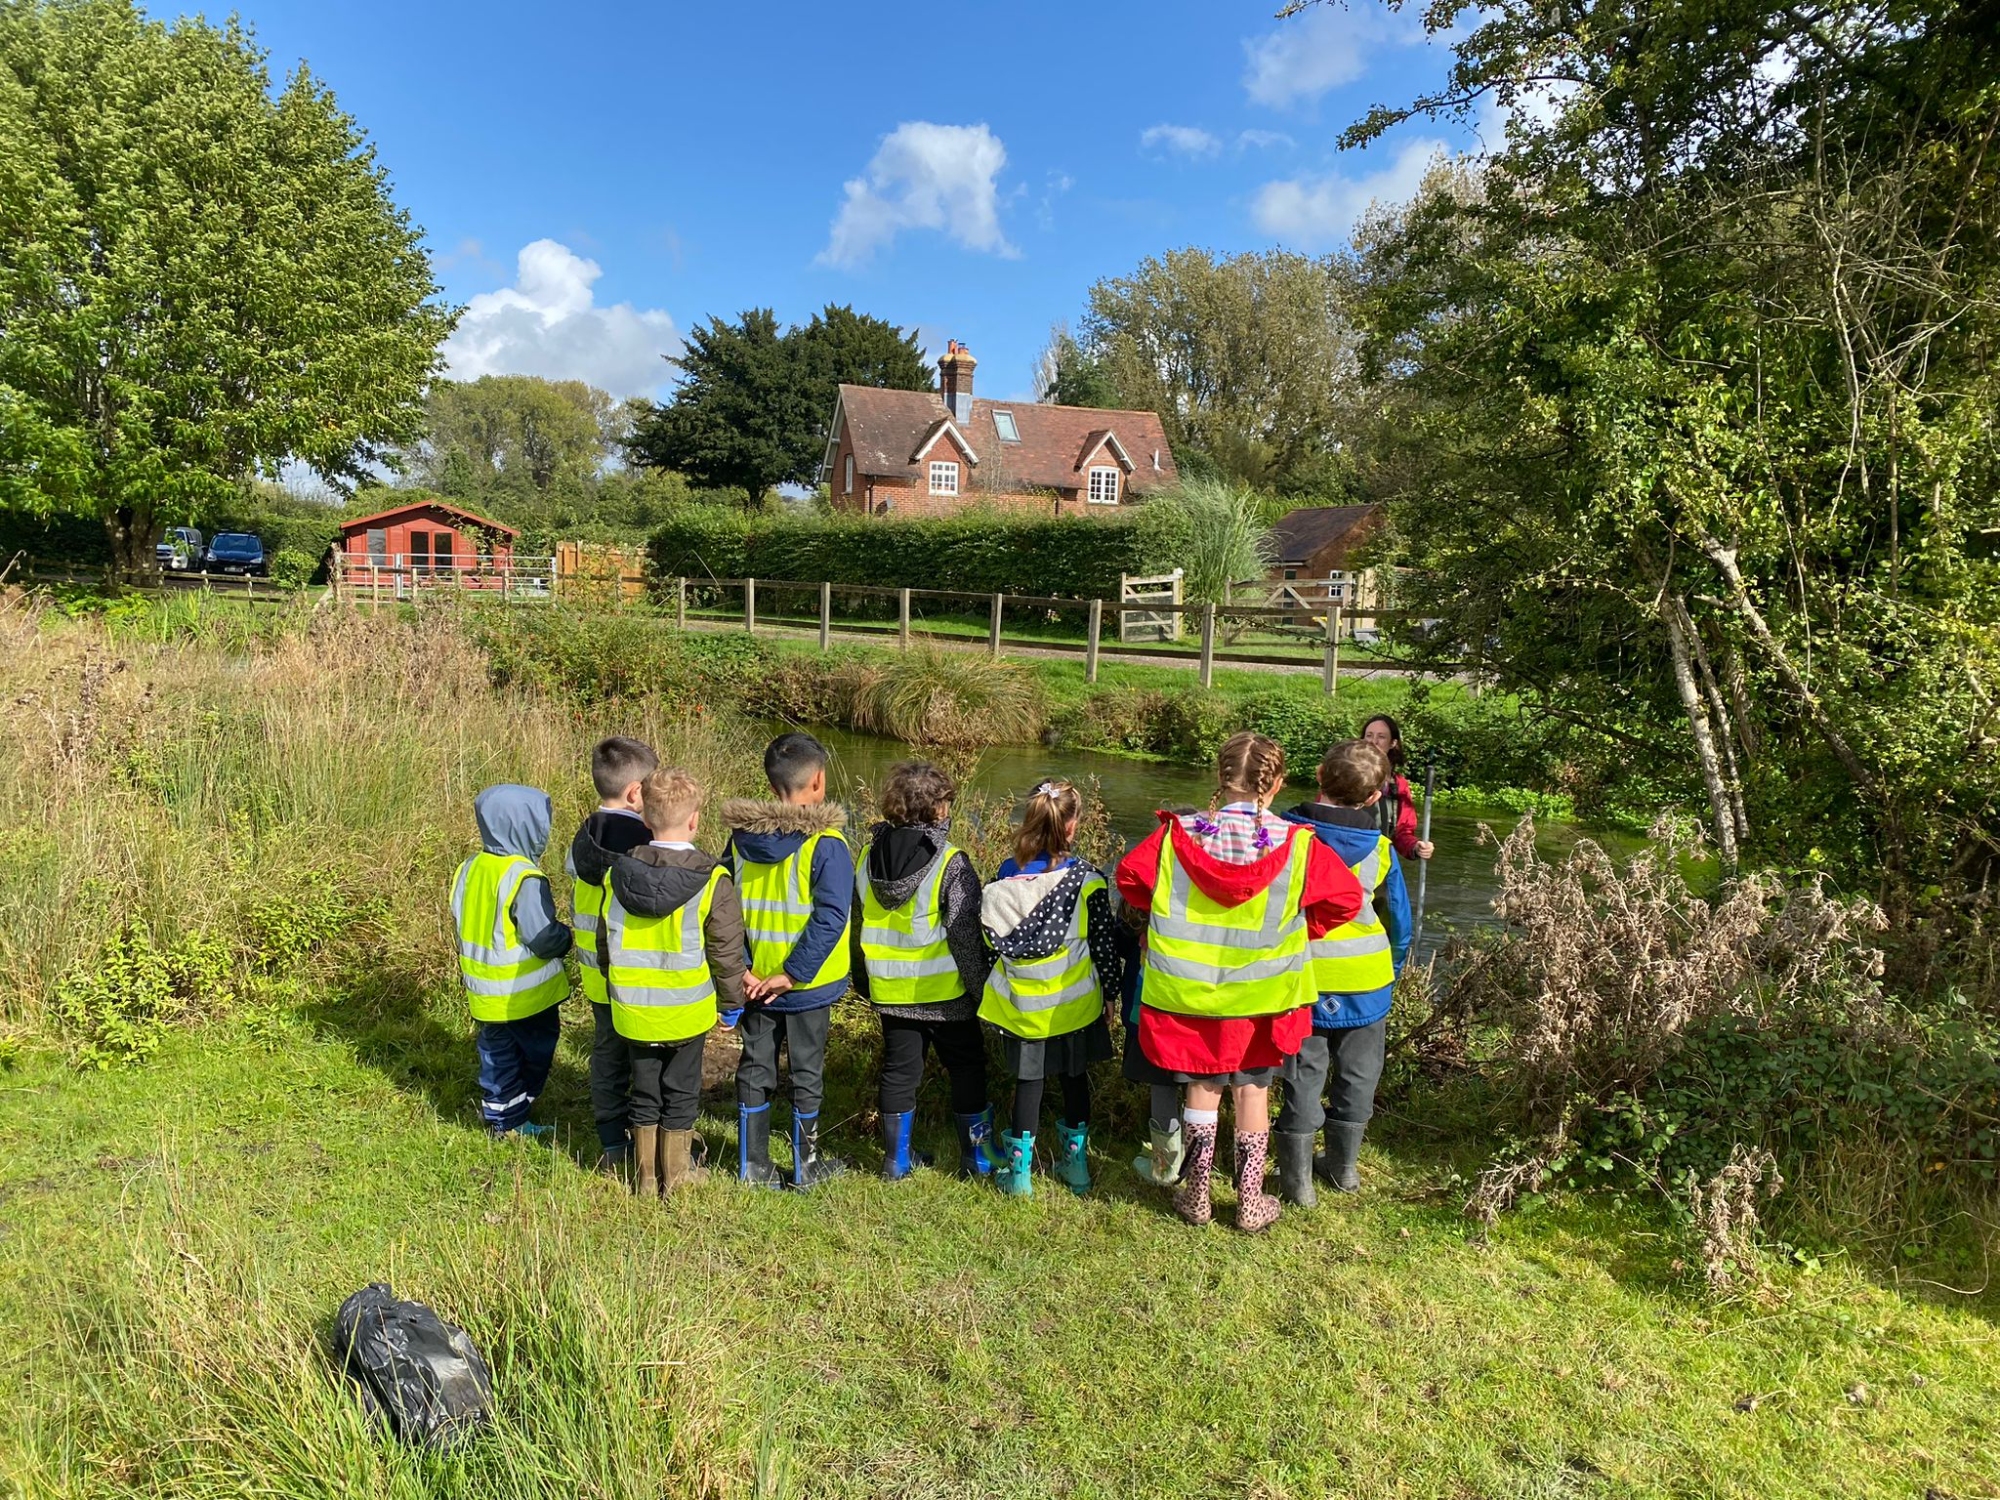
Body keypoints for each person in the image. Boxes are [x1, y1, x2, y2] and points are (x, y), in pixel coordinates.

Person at [1115, 733, 1363, 1232]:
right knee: (1253, 1091)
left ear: (1220, 777)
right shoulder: (1296, 844)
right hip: (1264, 996)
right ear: (1277, 784)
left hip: (1192, 992)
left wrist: (1166, 920)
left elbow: (1130, 878)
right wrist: (1300, 931)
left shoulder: (1177, 836)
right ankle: (1250, 1203)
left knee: (1202, 1087)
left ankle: (1197, 1198)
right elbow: (1346, 899)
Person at [1274, 740, 1414, 1204]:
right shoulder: (1381, 849)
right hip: (1366, 980)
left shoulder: (1287, 838)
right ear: (1374, 797)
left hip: (1302, 978)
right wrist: (1391, 968)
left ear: (1319, 775)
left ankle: (1297, 1184)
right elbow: (1399, 921)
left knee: (1302, 1074)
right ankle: (1343, 1169)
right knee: (1359, 1074)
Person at [850, 760, 998, 1181]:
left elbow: (858, 924)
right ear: (937, 809)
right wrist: (982, 992)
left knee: (900, 1072)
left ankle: (895, 1162)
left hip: (890, 990)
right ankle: (978, 1159)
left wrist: (863, 981)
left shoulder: (866, 856)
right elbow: (965, 939)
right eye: (947, 802)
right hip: (946, 993)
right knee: (967, 1068)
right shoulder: (950, 862)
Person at [605, 767, 747, 1198]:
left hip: (633, 1008)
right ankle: (678, 1176)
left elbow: (603, 939)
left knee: (644, 1092)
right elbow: (726, 952)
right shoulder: (713, 881)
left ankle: (646, 1179)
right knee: (681, 1093)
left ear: (646, 819)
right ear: (695, 819)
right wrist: (731, 1003)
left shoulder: (617, 874)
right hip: (686, 1012)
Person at [721, 732, 854, 1189]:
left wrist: (741, 968)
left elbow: (723, 908)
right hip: (806, 985)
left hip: (754, 982)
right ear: (818, 781)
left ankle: (752, 1166)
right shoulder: (827, 843)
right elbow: (832, 916)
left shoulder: (739, 841)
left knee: (755, 1068)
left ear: (771, 784)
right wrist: (793, 974)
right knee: (806, 1072)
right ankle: (806, 1167)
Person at [979, 780, 1121, 1198]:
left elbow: (989, 945)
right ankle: (1076, 1168)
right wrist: (1110, 994)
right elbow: (1103, 945)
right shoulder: (1088, 881)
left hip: (1023, 1004)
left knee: (1029, 1083)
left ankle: (1019, 1176)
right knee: (1075, 1080)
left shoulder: (1006, 874)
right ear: (1072, 827)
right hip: (1073, 1002)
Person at [451, 784, 573, 1139]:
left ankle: (503, 1110)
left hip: (483, 989)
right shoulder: (523, 876)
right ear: (527, 826)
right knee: (533, 1051)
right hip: (524, 994)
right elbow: (542, 937)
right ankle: (510, 1120)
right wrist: (566, 938)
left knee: (497, 1052)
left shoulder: (469, 867)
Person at [566, 735, 658, 1174]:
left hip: (594, 971)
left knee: (607, 1054)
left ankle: (611, 1143)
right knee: (645, 1058)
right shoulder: (645, 841)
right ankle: (649, 1141)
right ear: (636, 793)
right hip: (637, 972)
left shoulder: (581, 836)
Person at [1121, 809, 1198, 1189]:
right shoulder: (1209, 886)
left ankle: (1166, 1164)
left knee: (1162, 1082)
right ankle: (1197, 1163)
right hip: (1200, 1000)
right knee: (1201, 1083)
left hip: (1152, 997)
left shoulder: (1148, 882)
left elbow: (1124, 932)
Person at [1360, 714, 1434, 863]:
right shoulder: (1342, 774)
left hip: (1376, 865)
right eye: (1369, 735)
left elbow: (1402, 833)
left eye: (1381, 737)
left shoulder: (1399, 785)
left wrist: (1415, 847)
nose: (1373, 742)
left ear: (1392, 743)